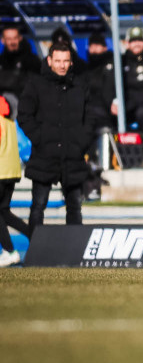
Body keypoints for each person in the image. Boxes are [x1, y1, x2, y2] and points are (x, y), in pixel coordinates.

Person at [18, 42, 100, 240]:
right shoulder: (35, 84)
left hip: (73, 156)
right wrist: (40, 138)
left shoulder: (80, 85)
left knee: (74, 207)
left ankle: (74, 250)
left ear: (71, 62)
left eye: (65, 61)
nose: (62, 65)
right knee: (38, 205)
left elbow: (90, 117)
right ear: (49, 61)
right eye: (58, 61)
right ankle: (35, 251)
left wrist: (81, 142)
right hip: (44, 155)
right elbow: (24, 115)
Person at [0, 95, 27, 268]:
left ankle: (9, 252)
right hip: (11, 172)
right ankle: (36, 235)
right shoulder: (8, 121)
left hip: (1, 172)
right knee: (4, 213)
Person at [0, 25, 42, 117]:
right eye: (9, 39)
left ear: (20, 38)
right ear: (2, 40)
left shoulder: (32, 61)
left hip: (24, 108)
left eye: (15, 38)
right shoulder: (1, 62)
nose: (12, 42)